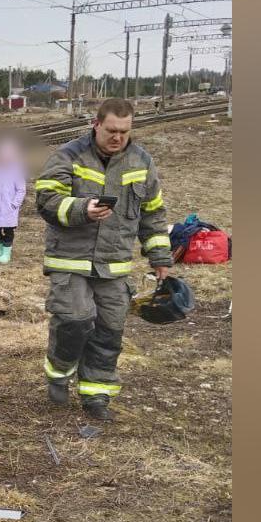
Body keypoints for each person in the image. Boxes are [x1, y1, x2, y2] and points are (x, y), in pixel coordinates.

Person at [32, 97, 173, 420]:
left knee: (109, 330)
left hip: (115, 263)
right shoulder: (68, 156)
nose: (117, 137)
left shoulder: (141, 162)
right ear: (96, 124)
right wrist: (84, 209)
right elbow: (46, 199)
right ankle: (59, 371)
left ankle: (96, 394)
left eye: (124, 131)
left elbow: (153, 213)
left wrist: (159, 256)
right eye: (111, 130)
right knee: (75, 319)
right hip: (71, 260)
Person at [0, 135, 27, 264]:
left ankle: (6, 253)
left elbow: (21, 190)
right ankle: (0, 249)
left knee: (8, 230)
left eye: (6, 155)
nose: (3, 158)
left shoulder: (17, 171)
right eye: (1, 155)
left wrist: (14, 205)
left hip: (9, 207)